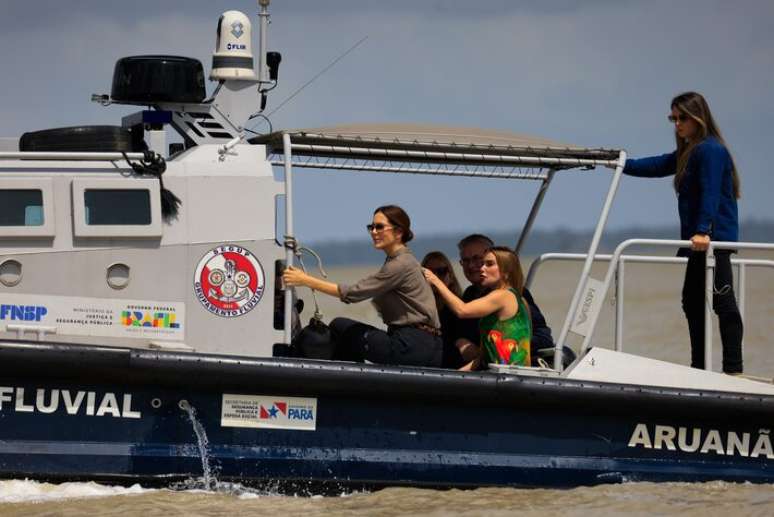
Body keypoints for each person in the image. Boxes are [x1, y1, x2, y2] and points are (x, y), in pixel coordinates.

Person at [623, 91, 743, 374]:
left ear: (698, 118)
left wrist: (703, 231)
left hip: (711, 241)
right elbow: (657, 165)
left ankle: (733, 368)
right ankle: (699, 366)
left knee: (722, 301)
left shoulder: (710, 150)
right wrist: (619, 164)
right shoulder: (690, 152)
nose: (677, 124)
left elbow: (711, 192)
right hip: (698, 243)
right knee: (692, 301)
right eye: (673, 118)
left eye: (682, 118)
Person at [282, 205, 442, 367]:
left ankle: (346, 382)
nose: (373, 232)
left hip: (411, 346)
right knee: (348, 333)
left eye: (379, 227)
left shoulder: (400, 264)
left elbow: (353, 293)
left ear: (398, 232)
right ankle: (351, 381)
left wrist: (305, 280)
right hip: (422, 344)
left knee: (339, 325)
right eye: (371, 227)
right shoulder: (402, 260)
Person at [456, 234, 560, 366]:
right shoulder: (470, 294)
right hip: (481, 364)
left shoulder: (514, 294)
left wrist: (505, 345)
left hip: (507, 366)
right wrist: (460, 341)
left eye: (478, 259)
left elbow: (543, 338)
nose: (471, 266)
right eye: (465, 260)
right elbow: (461, 330)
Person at [424, 246, 531, 370]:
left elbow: (462, 310)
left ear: (506, 272)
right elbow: (486, 356)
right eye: (482, 264)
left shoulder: (503, 295)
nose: (482, 268)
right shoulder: (516, 298)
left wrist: (435, 281)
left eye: (489, 264)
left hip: (508, 376)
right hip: (495, 372)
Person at [421, 251, 465, 368]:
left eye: (441, 272)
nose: (435, 278)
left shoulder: (460, 308)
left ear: (450, 276)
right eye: (430, 273)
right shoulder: (415, 310)